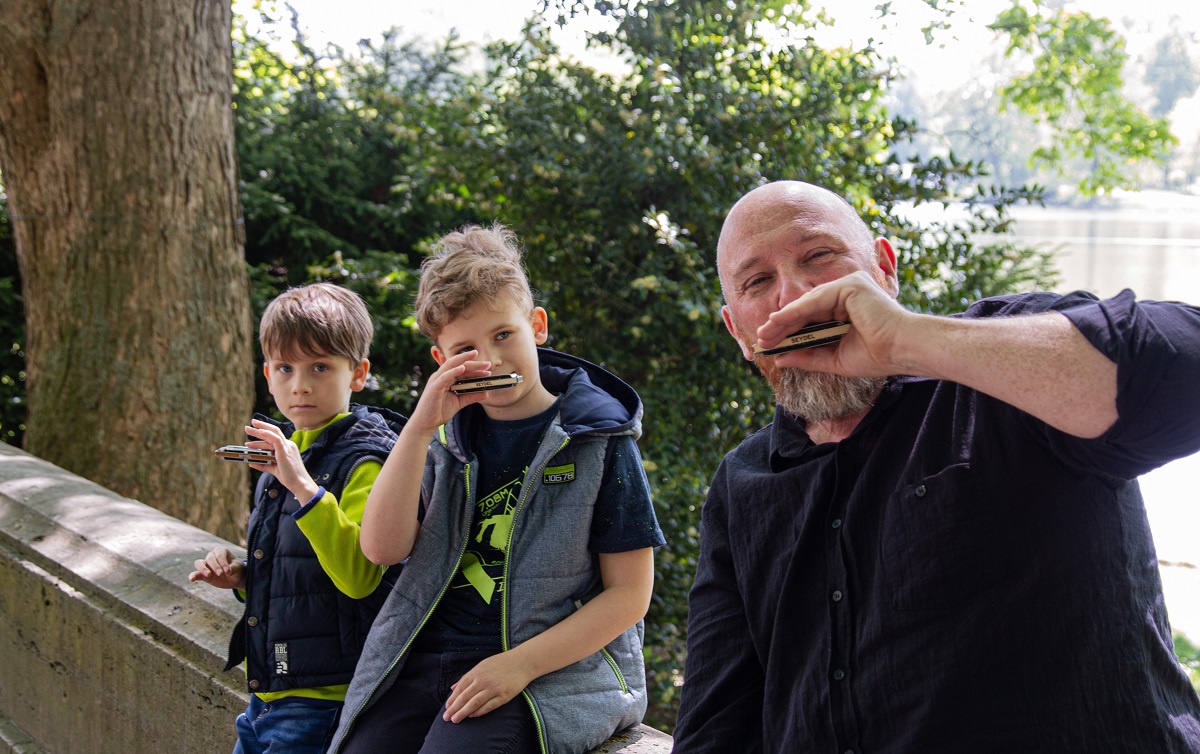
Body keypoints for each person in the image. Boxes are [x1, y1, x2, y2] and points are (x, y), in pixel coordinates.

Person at [672, 180, 1200, 753]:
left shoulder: (1001, 376)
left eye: (819, 256)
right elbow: (716, 724)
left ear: (884, 269)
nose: (792, 295)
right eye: (758, 281)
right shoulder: (743, 482)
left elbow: (1184, 375)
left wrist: (904, 340)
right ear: (739, 333)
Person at [325, 224, 665, 754]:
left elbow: (629, 595)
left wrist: (519, 665)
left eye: (504, 335)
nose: (493, 360)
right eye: (466, 348)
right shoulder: (438, 437)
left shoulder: (599, 438)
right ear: (442, 361)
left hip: (547, 674)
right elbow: (381, 549)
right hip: (425, 657)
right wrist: (416, 429)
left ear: (537, 326)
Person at [189, 282, 406, 754]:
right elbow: (299, 567)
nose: (300, 384)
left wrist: (303, 486)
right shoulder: (280, 458)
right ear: (267, 374)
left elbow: (359, 575)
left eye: (320, 367)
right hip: (265, 695)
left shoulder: (368, 459)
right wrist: (241, 576)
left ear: (359, 373)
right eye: (285, 368)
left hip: (325, 698)